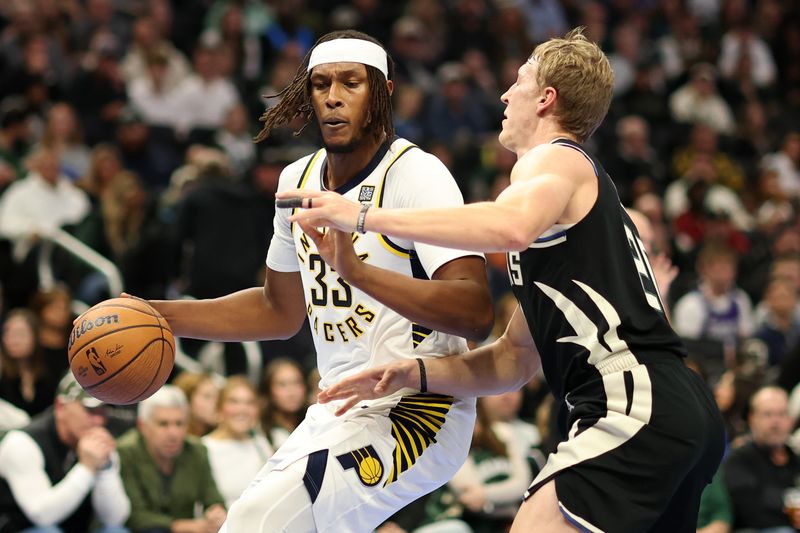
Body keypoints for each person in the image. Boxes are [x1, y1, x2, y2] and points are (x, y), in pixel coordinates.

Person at [288, 28, 726, 532]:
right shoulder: (570, 218)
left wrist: (362, 216)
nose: (503, 95)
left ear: (546, 98)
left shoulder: (555, 158)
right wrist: (414, 373)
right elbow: (513, 359)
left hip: (632, 403)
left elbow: (508, 226)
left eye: (518, 82)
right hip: (677, 408)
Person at [141, 29, 492, 532]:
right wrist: (160, 315)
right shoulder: (295, 181)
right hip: (336, 406)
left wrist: (357, 269)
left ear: (384, 92)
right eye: (322, 83)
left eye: (352, 83)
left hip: (419, 408)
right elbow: (277, 311)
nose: (333, 96)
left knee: (258, 525)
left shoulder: (417, 175)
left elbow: (474, 312)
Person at [0, 372, 130, 533]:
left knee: (115, 531)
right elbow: (42, 516)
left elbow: (115, 518)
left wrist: (105, 469)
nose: (99, 420)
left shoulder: (97, 441)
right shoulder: (22, 442)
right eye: (89, 410)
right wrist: (86, 468)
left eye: (103, 410)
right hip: (22, 527)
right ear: (61, 407)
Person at [116, 385, 227, 533]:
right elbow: (133, 516)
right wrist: (189, 527)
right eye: (163, 424)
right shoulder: (125, 451)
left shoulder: (196, 450)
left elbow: (213, 499)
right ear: (142, 426)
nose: (173, 433)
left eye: (179, 424)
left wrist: (216, 514)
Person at [722, 386, 800, 531]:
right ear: (752, 419)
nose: (775, 422)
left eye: (782, 414)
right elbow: (750, 512)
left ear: (790, 420)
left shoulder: (795, 459)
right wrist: (790, 515)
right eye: (768, 414)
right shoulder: (739, 459)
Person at [202, 376, 274, 508]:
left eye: (250, 403)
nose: (242, 409)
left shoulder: (262, 444)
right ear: (219, 408)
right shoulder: (203, 448)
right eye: (234, 402)